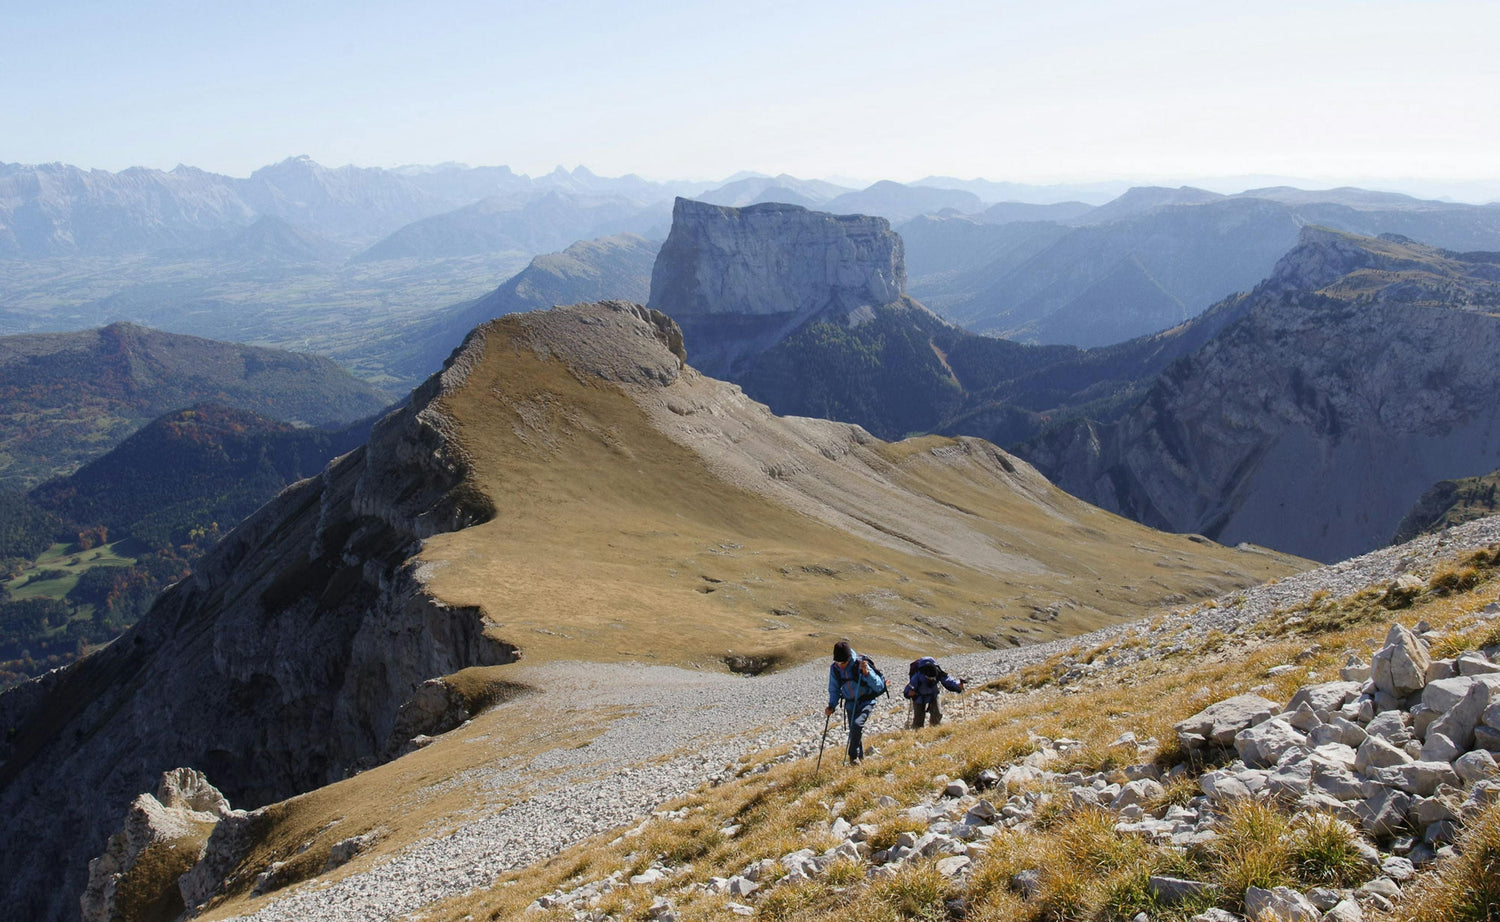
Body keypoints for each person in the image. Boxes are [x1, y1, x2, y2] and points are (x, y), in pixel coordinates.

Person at [825, 639, 884, 763]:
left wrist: (867, 673)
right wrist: (832, 705)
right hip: (851, 703)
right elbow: (834, 688)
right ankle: (859, 760)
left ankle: (853, 757)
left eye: (843, 662)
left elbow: (878, 686)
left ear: (849, 658)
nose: (841, 665)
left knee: (857, 725)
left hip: (867, 701)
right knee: (854, 731)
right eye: (838, 662)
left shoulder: (860, 664)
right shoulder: (835, 668)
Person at [903, 656, 964, 728]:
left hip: (933, 694)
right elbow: (908, 688)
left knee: (937, 714)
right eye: (930, 678)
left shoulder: (937, 672)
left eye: (933, 678)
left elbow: (948, 680)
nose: (932, 679)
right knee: (918, 720)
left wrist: (957, 685)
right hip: (919, 696)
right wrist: (908, 693)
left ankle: (934, 729)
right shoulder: (917, 676)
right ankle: (917, 733)